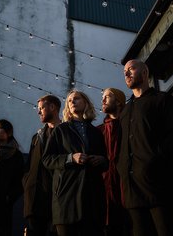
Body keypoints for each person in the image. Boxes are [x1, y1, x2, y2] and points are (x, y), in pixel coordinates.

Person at [117, 59, 173, 236]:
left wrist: (153, 159)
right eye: (124, 71)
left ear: (145, 72)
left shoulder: (162, 99)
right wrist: (122, 167)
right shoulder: (125, 110)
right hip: (132, 192)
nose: (126, 73)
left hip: (160, 187)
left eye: (131, 69)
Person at [42, 89, 109, 236]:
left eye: (77, 98)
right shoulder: (60, 130)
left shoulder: (96, 132)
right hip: (66, 198)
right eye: (70, 100)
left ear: (86, 103)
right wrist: (71, 158)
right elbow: (47, 159)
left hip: (92, 198)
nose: (72, 101)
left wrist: (102, 160)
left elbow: (106, 162)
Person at [23, 95, 62, 236]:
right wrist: (27, 184)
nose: (38, 112)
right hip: (34, 200)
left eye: (41, 108)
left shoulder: (66, 133)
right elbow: (28, 167)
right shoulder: (37, 137)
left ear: (52, 107)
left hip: (56, 199)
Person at [97, 88, 131, 236]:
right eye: (102, 97)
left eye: (107, 96)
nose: (103, 100)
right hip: (106, 192)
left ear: (118, 101)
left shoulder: (129, 125)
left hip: (129, 189)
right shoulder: (99, 131)